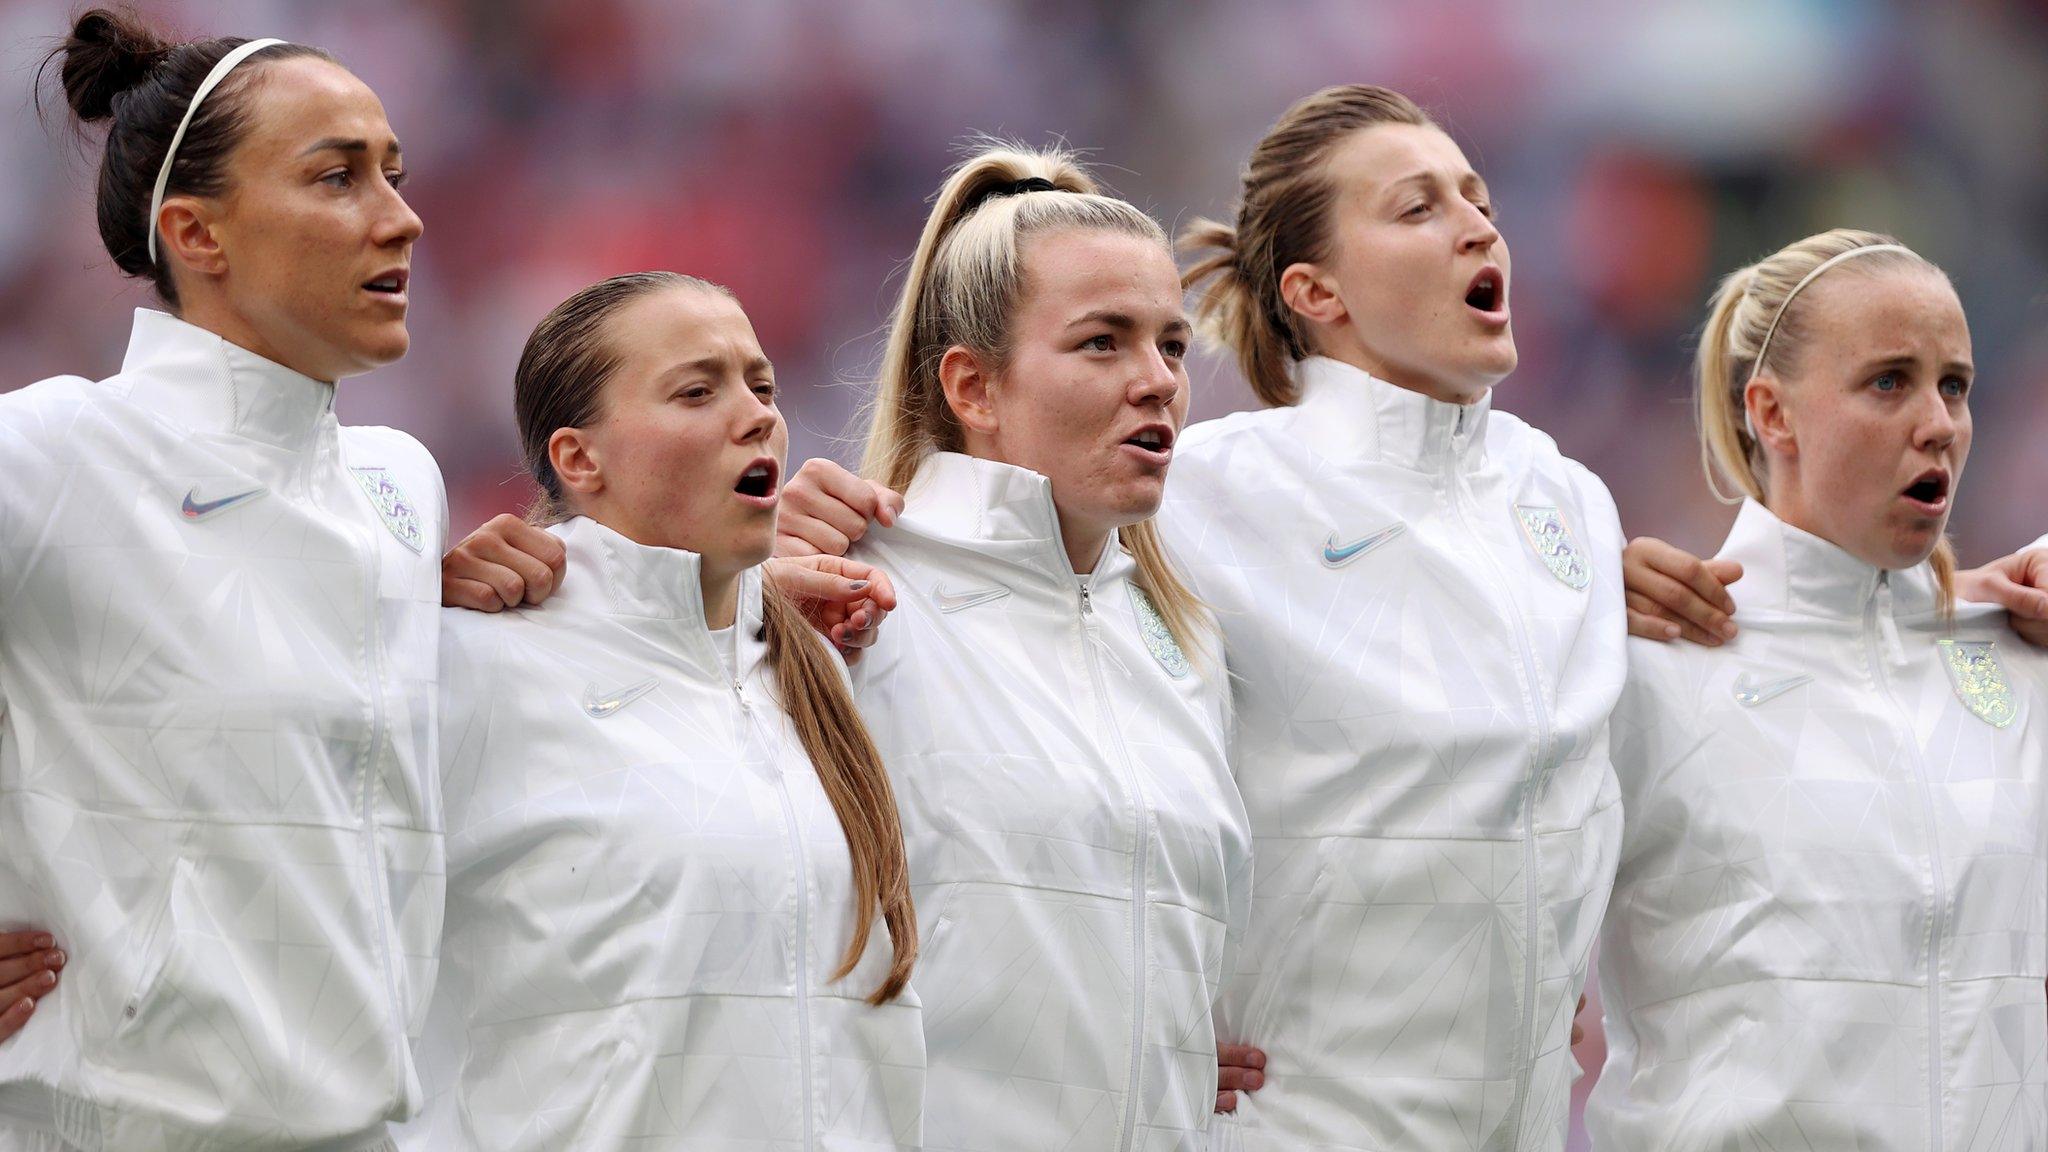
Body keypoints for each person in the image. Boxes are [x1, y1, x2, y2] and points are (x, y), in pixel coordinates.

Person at [773, 88, 1626, 1150]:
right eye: (1415, 208)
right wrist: (731, 564)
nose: (1476, 225)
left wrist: (1159, 1029)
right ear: (1312, 289)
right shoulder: (1186, 504)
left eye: (1172, 348)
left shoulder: (1570, 507)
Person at [448, 145, 1255, 1151]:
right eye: (1102, 343)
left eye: (1173, 346)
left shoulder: (1180, 635)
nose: (1157, 382)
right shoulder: (849, 601)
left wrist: (1168, 1035)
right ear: (971, 384)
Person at [0, 11, 443, 1151]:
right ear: (196, 233)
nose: (401, 217)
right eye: (337, 177)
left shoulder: (401, 486)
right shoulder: (49, 456)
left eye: (392, 172)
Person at [398, 272, 923, 1151]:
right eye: (696, 390)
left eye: (762, 385)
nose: (757, 414)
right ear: (578, 459)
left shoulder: (826, 672)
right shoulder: (465, 662)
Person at [1586, 229, 2048, 1150]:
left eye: (1954, 384)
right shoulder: (1640, 660)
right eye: (1889, 381)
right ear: (1773, 413)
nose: (1940, 424)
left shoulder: (2022, 660)